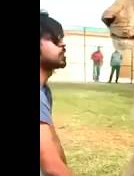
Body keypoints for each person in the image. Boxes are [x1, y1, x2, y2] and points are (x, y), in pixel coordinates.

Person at [40, 11, 73, 176]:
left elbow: (53, 144)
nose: (63, 45)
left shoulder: (44, 91)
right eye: (54, 40)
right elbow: (51, 166)